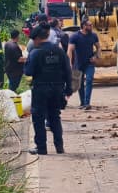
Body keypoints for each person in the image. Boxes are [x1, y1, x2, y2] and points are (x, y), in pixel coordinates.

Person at [24, 24, 72, 154]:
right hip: (57, 89)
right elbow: (68, 71)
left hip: (40, 90)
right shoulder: (59, 51)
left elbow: (28, 72)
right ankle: (59, 146)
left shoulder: (35, 53)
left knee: (39, 118)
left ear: (38, 38)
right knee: (55, 117)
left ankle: (41, 148)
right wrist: (69, 90)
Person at [68, 18, 100, 109]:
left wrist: (96, 56)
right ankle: (82, 102)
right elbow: (69, 50)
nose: (91, 27)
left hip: (90, 63)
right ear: (84, 26)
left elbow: (98, 47)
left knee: (89, 80)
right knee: (79, 84)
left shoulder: (93, 35)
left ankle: (87, 103)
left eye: (91, 25)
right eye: (89, 25)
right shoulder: (75, 36)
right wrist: (70, 63)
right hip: (78, 63)